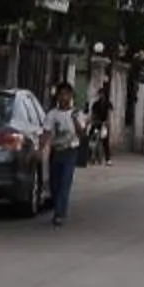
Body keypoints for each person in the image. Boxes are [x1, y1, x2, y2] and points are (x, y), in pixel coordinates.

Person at [43, 83, 85, 225]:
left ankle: (59, 214)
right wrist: (39, 149)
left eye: (67, 94)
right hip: (56, 151)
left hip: (70, 151)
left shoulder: (76, 113)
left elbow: (81, 134)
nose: (64, 98)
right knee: (54, 184)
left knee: (65, 182)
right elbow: (46, 133)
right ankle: (58, 206)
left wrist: (74, 119)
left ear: (71, 96)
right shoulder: (52, 114)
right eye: (61, 94)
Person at [88, 82, 114, 166]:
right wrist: (93, 121)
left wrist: (108, 122)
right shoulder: (96, 104)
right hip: (96, 123)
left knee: (105, 141)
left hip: (104, 124)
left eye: (102, 94)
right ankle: (91, 157)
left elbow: (110, 114)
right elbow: (93, 114)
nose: (101, 96)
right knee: (91, 138)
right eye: (100, 94)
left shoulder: (108, 104)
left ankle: (108, 159)